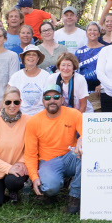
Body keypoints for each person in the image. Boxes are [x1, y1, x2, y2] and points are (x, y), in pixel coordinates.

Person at [24, 85, 83, 214]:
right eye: (48, 97)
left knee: (84, 153)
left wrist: (81, 139)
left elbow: (87, 133)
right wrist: (34, 178)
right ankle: (53, 191)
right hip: (48, 161)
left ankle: (75, 195)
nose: (52, 100)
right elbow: (30, 154)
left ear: (62, 99)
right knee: (50, 188)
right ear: (43, 101)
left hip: (70, 156)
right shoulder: (33, 122)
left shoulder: (74, 114)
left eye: (56, 97)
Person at [0, 87, 30, 208]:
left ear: (20, 102)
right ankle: (1, 191)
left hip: (18, 167)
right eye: (8, 102)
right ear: (3, 102)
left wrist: (22, 163)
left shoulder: (29, 121)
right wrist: (8, 168)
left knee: (14, 181)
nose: (12, 105)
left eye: (16, 102)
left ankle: (13, 190)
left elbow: (31, 148)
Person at [7, 45, 51, 116]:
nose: (31, 57)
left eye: (34, 55)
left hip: (41, 115)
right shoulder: (16, 76)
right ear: (24, 58)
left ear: (38, 58)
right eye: (28, 54)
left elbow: (50, 98)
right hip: (20, 115)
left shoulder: (46, 76)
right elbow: (8, 96)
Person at [75, 22, 105, 93]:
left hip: (100, 90)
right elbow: (75, 72)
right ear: (86, 33)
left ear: (99, 34)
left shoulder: (105, 50)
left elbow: (109, 70)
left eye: (95, 30)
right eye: (90, 30)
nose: (92, 32)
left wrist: (103, 85)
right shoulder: (79, 52)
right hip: (82, 89)